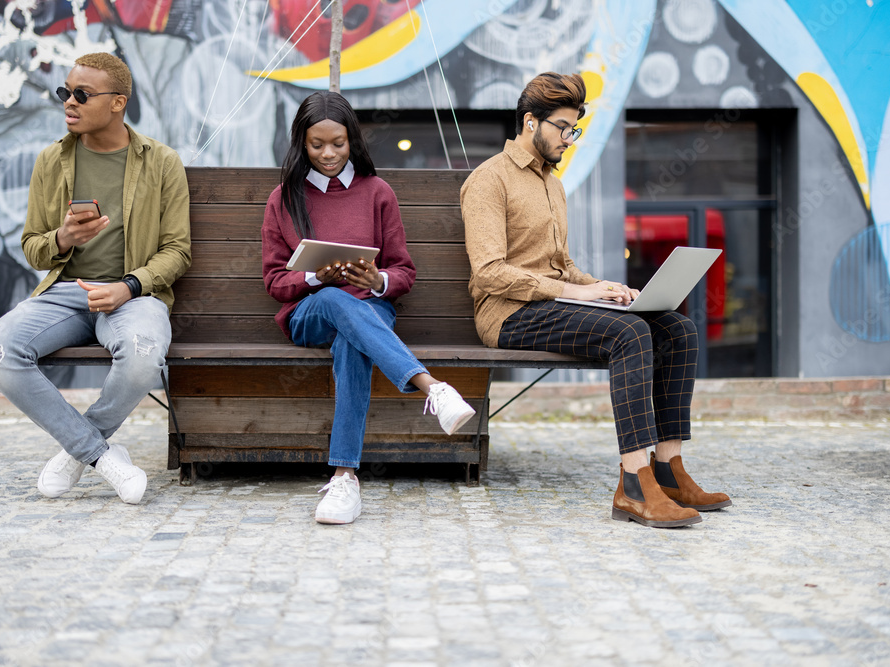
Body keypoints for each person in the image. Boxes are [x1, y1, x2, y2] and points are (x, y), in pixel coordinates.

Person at [460, 72, 731, 528]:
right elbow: (490, 272)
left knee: (677, 328)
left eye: (574, 130)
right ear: (531, 122)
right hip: (507, 314)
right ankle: (633, 483)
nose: (570, 139)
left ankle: (668, 469)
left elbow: (561, 266)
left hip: (550, 304)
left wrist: (606, 288)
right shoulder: (489, 180)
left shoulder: (552, 183)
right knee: (629, 333)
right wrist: (576, 292)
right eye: (564, 128)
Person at [0, 52, 191, 505]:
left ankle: (76, 452)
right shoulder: (51, 161)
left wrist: (129, 286)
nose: (68, 104)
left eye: (81, 95)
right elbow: (33, 247)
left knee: (143, 354)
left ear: (118, 102)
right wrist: (62, 237)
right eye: (65, 93)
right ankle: (101, 455)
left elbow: (177, 250)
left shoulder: (161, 161)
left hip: (133, 295)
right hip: (65, 293)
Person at [262, 91, 476, 525]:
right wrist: (317, 278)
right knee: (334, 301)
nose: (327, 153)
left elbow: (403, 272)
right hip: (309, 313)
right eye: (316, 144)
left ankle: (345, 478)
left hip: (370, 312)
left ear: (352, 140)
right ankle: (432, 387)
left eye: (338, 143)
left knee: (352, 340)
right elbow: (274, 282)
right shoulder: (283, 198)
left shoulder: (377, 192)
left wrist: (377, 281)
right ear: (300, 143)